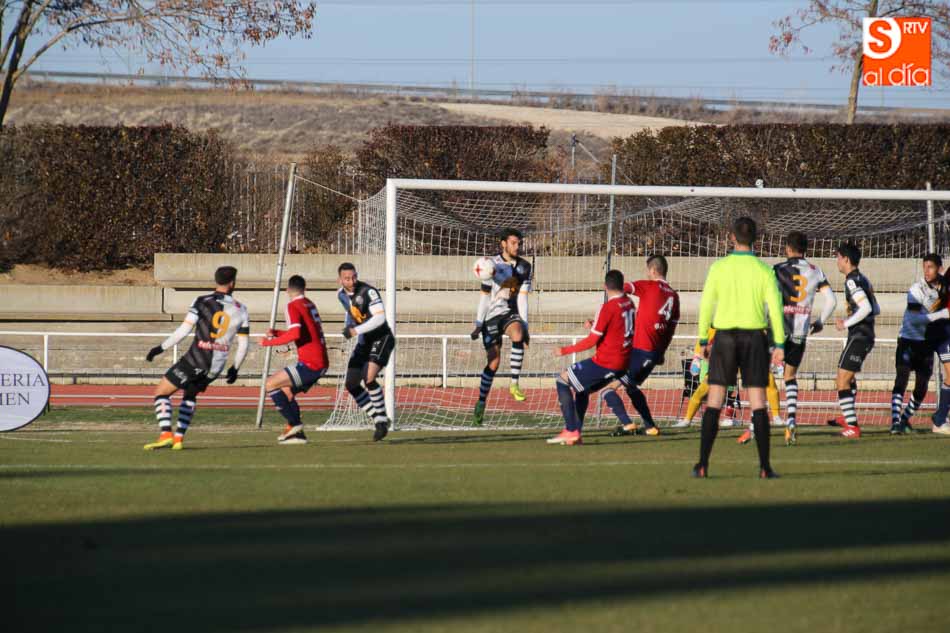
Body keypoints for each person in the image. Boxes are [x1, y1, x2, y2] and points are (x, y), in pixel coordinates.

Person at [693, 217, 785, 479]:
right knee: (758, 402)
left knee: (715, 399)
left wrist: (703, 340)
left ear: (731, 237)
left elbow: (706, 305)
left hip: (724, 338)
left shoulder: (719, 268)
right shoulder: (764, 270)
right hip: (754, 337)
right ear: (755, 238)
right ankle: (765, 467)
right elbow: (775, 309)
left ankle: (703, 464)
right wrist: (779, 343)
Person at [738, 231, 837, 446]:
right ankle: (791, 420)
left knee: (760, 378)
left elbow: (766, 299)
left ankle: (754, 426)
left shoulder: (777, 270)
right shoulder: (816, 271)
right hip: (799, 333)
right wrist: (820, 321)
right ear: (805, 249)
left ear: (788, 249)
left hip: (777, 332)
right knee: (790, 377)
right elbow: (831, 301)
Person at [144, 266, 249, 451]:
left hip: (195, 360)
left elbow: (184, 330)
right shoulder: (241, 309)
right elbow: (243, 344)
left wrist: (160, 348)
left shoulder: (201, 301)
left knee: (161, 392)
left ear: (216, 280)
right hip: (215, 367)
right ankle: (178, 439)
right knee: (190, 394)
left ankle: (166, 435)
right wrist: (235, 368)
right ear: (233, 283)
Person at [548, 270, 634, 446]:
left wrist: (564, 350)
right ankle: (576, 434)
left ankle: (570, 429)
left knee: (562, 380)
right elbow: (617, 328)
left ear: (605, 286)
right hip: (623, 363)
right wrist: (594, 324)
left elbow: (591, 341)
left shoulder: (607, 307)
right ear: (622, 284)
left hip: (605, 362)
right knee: (582, 390)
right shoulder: (629, 303)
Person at [605, 255, 680, 437]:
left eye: (648, 270)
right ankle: (650, 427)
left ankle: (627, 424)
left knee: (607, 389)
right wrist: (661, 352)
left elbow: (621, 287)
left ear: (653, 270)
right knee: (631, 387)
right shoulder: (674, 295)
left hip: (640, 350)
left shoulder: (649, 286)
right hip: (653, 353)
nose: (647, 274)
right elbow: (671, 329)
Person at [471, 228, 533, 425]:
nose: (517, 246)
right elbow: (484, 297)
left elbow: (522, 298)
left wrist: (525, 326)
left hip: (508, 312)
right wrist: (478, 323)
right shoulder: (490, 265)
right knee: (494, 362)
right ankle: (481, 402)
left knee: (518, 333)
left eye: (518, 243)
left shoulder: (525, 267)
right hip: (490, 317)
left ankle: (514, 384)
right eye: (513, 243)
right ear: (503, 243)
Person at [260, 275, 329, 445]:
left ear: (287, 290)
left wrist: (268, 342)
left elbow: (295, 334)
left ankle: (295, 424)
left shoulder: (292, 305)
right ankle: (297, 435)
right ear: (305, 289)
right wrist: (277, 333)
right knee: (286, 391)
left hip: (311, 363)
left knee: (270, 384)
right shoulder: (309, 303)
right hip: (320, 361)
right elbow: (304, 333)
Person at [338, 262, 394, 442]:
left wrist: (355, 331)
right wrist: (349, 326)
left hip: (381, 338)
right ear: (340, 280)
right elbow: (351, 313)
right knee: (351, 383)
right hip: (365, 342)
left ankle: (381, 421)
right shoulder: (341, 295)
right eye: (347, 278)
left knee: (368, 378)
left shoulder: (368, 292)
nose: (352, 281)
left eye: (354, 276)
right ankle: (379, 419)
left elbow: (380, 318)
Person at [832, 242, 880, 439]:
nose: (837, 261)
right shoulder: (863, 278)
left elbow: (867, 308)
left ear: (846, 259)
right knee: (848, 378)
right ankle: (848, 416)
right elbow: (876, 308)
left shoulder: (852, 281)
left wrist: (846, 323)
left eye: (838, 257)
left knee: (842, 380)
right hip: (864, 335)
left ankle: (852, 426)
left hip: (860, 336)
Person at [890, 254, 943, 435]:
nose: (926, 271)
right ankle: (895, 422)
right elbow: (914, 320)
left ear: (940, 269)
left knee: (922, 386)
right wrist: (941, 315)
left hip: (926, 343)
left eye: (931, 267)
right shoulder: (917, 288)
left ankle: (904, 419)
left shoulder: (944, 289)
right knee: (901, 379)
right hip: (907, 340)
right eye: (924, 267)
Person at [676, 328, 742, 429]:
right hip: (716, 370)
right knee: (701, 394)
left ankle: (730, 418)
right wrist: (697, 359)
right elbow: (702, 347)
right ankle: (687, 420)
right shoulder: (711, 331)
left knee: (728, 394)